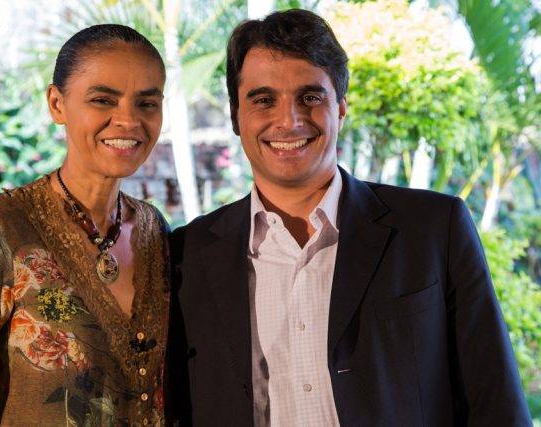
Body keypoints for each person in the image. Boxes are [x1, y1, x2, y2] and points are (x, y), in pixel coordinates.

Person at [167, 9, 532, 426]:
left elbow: (496, 402)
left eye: (310, 97)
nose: (288, 121)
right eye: (264, 100)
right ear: (235, 116)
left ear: (341, 108)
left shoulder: (433, 229)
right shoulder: (187, 254)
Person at [0, 24, 169, 426]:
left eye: (147, 103)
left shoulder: (154, 232)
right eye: (103, 100)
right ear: (57, 104)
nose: (128, 120)